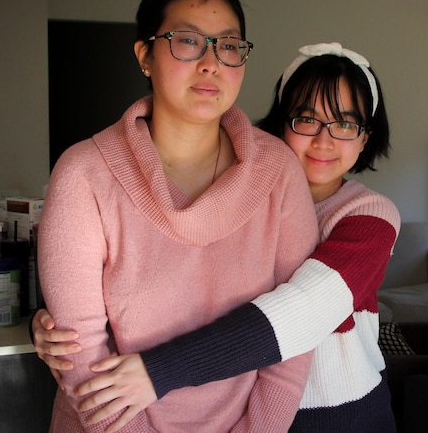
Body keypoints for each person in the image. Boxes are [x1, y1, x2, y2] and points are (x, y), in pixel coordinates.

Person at [35, 42, 400, 432]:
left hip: (340, 413)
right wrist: (58, 326)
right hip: (247, 410)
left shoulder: (371, 215)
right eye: (306, 119)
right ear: (281, 125)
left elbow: (300, 313)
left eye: (346, 124)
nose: (324, 141)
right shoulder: (241, 194)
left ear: (366, 137)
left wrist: (157, 373)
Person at [37, 0, 320, 432]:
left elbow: (294, 331)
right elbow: (80, 354)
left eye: (228, 45)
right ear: (145, 55)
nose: (211, 63)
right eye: (187, 41)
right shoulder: (84, 173)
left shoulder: (278, 171)